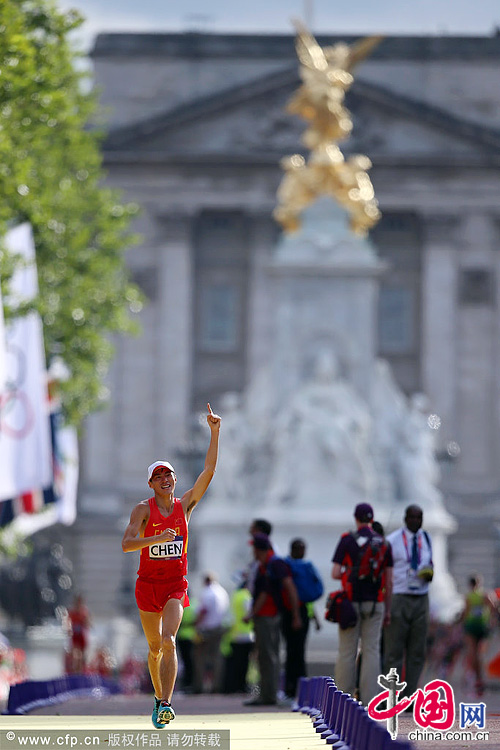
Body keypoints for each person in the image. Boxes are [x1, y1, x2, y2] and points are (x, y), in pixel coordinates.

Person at [121, 403, 221, 728]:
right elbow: (126, 544)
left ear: (175, 480)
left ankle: (166, 703)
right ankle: (157, 696)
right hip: (147, 586)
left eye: (168, 473)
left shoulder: (186, 505)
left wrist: (215, 432)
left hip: (175, 586)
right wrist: (154, 538)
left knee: (169, 641)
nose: (164, 478)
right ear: (151, 484)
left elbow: (208, 472)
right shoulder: (143, 511)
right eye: (157, 475)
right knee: (153, 649)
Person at [331, 503, 393, 706]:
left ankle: (344, 698)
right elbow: (389, 580)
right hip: (375, 603)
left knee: (347, 651)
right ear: (372, 519)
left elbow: (335, 573)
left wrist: (350, 572)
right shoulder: (384, 544)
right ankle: (369, 700)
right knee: (372, 651)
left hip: (350, 602)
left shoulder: (347, 540)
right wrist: (388, 609)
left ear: (355, 518)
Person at [243, 533, 301, 706]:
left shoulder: (272, 564)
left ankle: (271, 695)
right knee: (265, 656)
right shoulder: (266, 564)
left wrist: (252, 613)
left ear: (259, 549)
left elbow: (269, 592)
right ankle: (266, 694)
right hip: (267, 615)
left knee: (269, 656)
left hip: (269, 615)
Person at [383, 504, 433, 700]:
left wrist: (429, 573)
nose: (415, 521)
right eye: (411, 517)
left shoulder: (426, 538)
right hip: (399, 596)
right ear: (405, 519)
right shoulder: (393, 540)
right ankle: (391, 696)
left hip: (421, 597)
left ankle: (411, 696)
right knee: (394, 650)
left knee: (417, 651)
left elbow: (429, 562)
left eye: (419, 517)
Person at [282, 538, 322, 699]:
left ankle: (293, 688)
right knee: (296, 652)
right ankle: (298, 688)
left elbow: (304, 598)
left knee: (294, 652)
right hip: (299, 613)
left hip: (293, 613)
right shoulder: (305, 567)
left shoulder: (288, 566)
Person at [193, 573, 229, 693]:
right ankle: (217, 686)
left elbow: (203, 611)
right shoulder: (222, 592)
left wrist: (196, 624)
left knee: (200, 658)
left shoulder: (207, 593)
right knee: (217, 658)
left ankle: (200, 686)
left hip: (206, 629)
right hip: (218, 628)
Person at [462, 573, 497, 696]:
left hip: (471, 626)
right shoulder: (486, 595)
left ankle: (475, 678)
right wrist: (492, 621)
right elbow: (494, 608)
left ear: (470, 584)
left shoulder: (469, 596)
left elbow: (465, 613)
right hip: (483, 626)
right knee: (479, 653)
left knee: (472, 652)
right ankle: (479, 678)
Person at [221, 572, 255, 694]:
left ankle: (236, 686)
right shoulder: (246, 596)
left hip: (236, 635)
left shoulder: (236, 595)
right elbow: (250, 613)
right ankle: (242, 686)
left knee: (237, 663)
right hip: (247, 635)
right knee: (244, 664)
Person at [66, 594, 91, 674]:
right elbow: (68, 624)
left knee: (82, 657)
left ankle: (81, 672)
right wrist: (69, 629)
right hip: (75, 638)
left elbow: (88, 624)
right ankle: (75, 672)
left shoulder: (84, 612)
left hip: (82, 638)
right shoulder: (71, 613)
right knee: (76, 655)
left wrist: (85, 622)